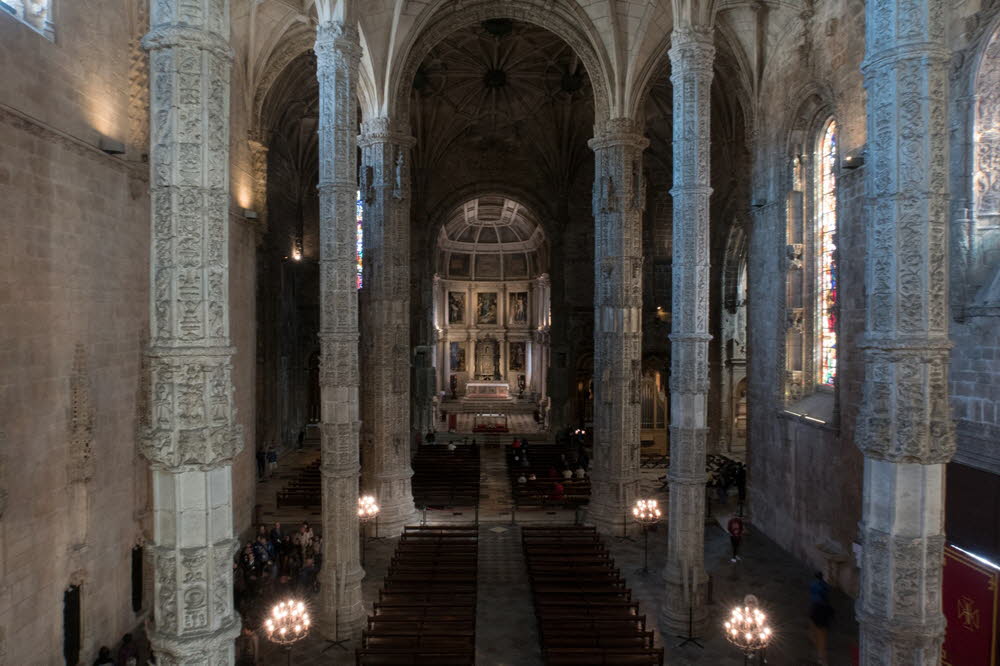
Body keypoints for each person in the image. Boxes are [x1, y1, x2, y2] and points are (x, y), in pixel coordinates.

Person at [809, 571, 833, 665]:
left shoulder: (813, 585)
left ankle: (821, 658)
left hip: (817, 611)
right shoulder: (825, 585)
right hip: (823, 611)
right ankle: (821, 657)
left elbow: (813, 595)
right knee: (822, 636)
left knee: (819, 636)